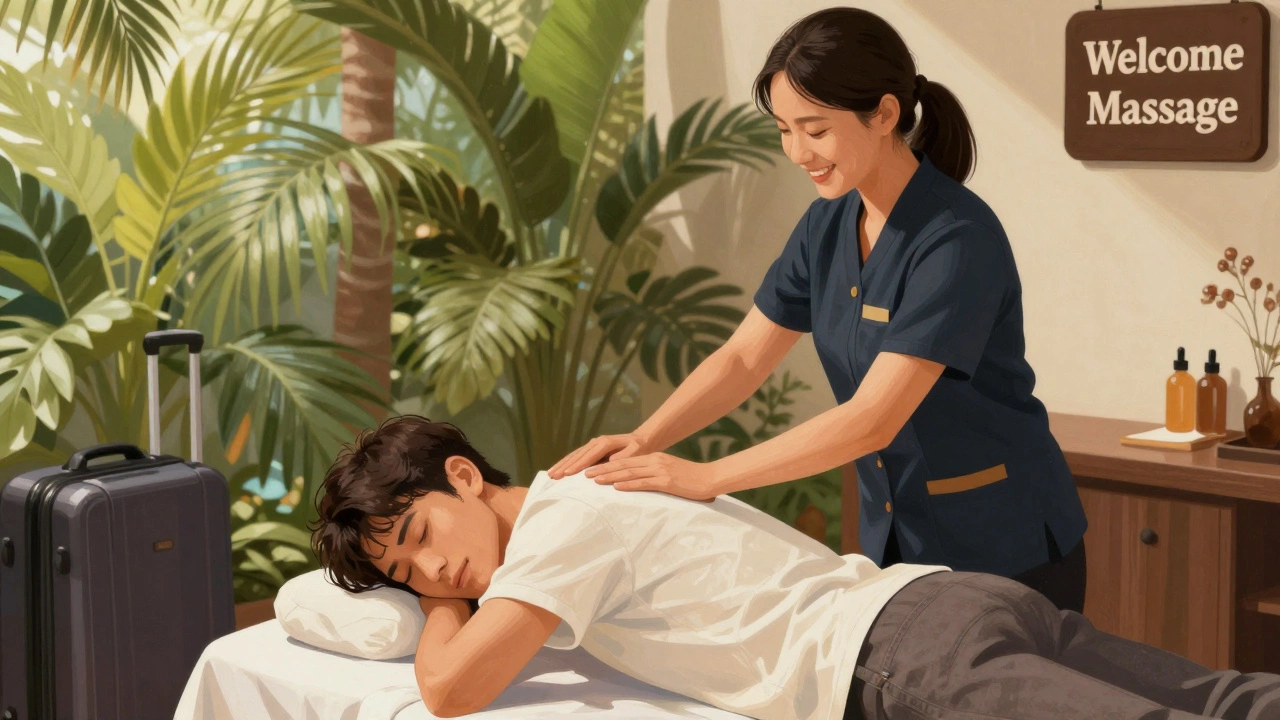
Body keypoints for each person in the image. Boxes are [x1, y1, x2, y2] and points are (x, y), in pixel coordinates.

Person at [549, 7, 1091, 612]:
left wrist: (707, 477)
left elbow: (871, 420)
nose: (796, 151)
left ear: (884, 114)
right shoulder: (827, 223)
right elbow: (744, 358)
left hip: (1003, 550)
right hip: (895, 546)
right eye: (783, 129)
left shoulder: (956, 238)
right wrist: (644, 439)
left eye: (815, 128)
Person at [311, 415, 1280, 720]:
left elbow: (449, 690)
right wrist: (423, 579)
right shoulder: (594, 490)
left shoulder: (558, 531)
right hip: (945, 603)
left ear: (466, 476)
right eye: (407, 578)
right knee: (1227, 701)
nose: (436, 574)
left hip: (899, 658)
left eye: (422, 537)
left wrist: (438, 610)